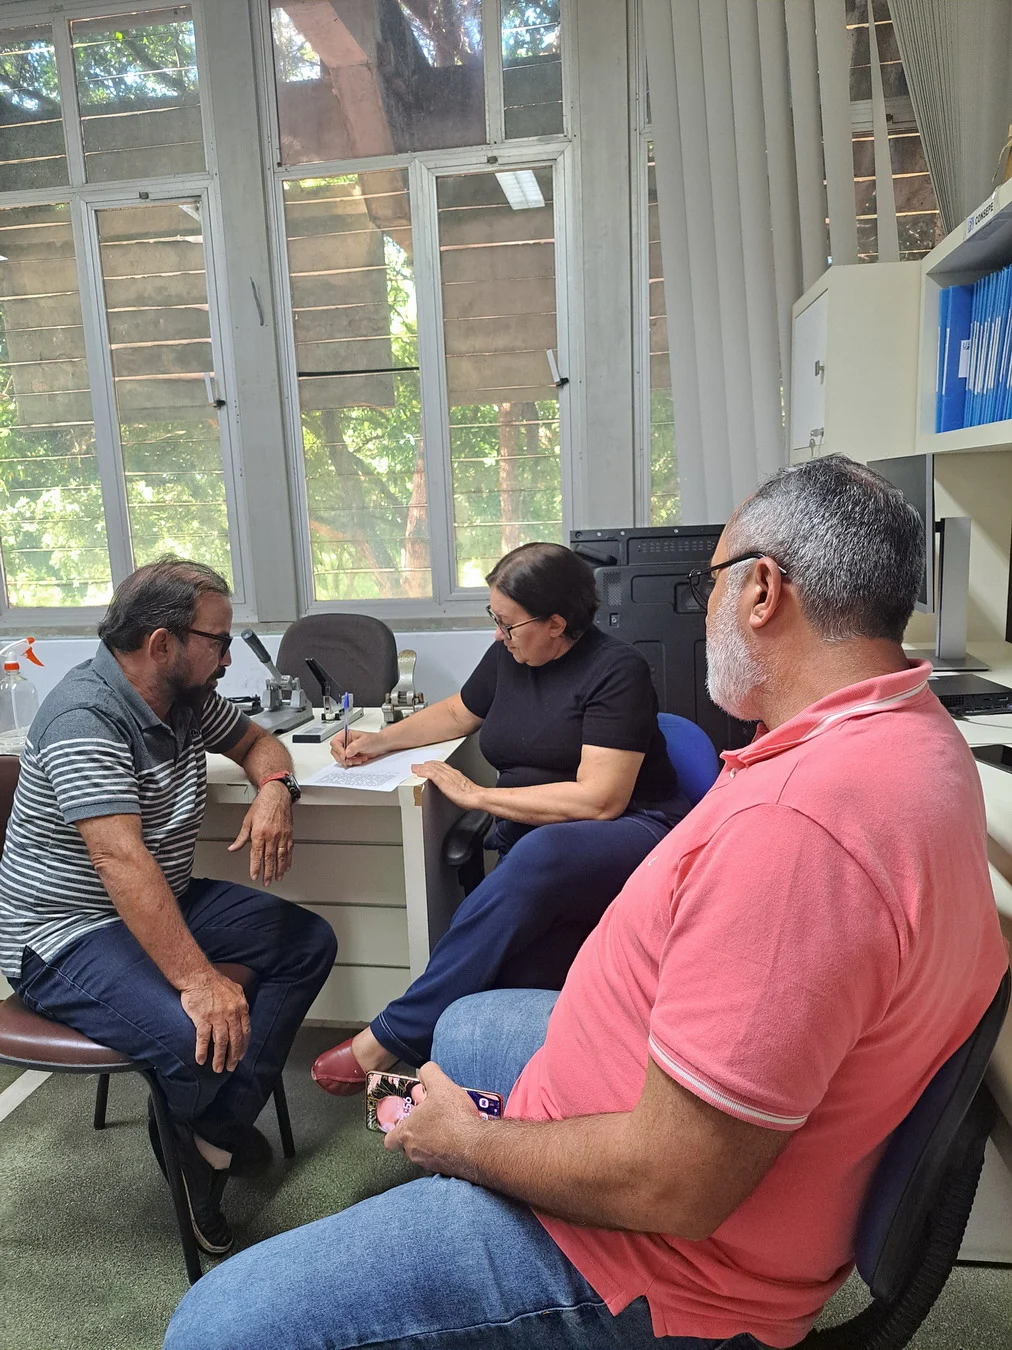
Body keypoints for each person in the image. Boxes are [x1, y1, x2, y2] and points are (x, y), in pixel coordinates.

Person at [163, 455, 1008, 1350]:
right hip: (648, 1094)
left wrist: (466, 1145)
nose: (704, 608)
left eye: (709, 584)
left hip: (650, 1262)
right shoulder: (906, 731)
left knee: (212, 1329)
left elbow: (675, 1185)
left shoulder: (801, 831)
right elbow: (460, 713)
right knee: (466, 1023)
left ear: (762, 590)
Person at [0, 558, 337, 1257]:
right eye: (218, 640)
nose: (227, 657)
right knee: (193, 1033)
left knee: (305, 941)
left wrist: (276, 788)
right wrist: (200, 980)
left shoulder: (185, 695)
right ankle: (201, 1149)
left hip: (161, 897)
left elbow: (256, 741)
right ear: (162, 643)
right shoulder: (84, 716)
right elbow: (119, 861)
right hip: (62, 932)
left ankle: (208, 1135)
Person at [311, 541, 689, 1094]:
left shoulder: (617, 670)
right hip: (537, 846)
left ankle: (389, 1036)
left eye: (507, 624)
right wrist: (379, 741)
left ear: (556, 623)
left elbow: (599, 800)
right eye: (495, 619)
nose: (497, 636)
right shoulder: (509, 658)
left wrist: (479, 797)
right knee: (505, 972)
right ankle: (445, 1100)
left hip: (629, 827)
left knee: (540, 852)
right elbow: (457, 712)